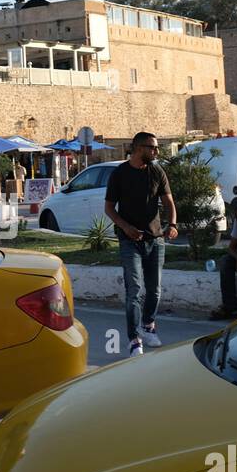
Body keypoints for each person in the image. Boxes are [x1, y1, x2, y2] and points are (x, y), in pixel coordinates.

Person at [104, 131, 178, 356]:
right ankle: (134, 339)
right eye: (152, 148)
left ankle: (148, 325)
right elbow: (109, 208)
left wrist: (172, 224)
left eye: (157, 148)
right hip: (129, 241)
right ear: (137, 148)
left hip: (155, 240)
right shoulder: (119, 174)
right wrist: (125, 227)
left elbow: (168, 202)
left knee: (154, 290)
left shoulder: (156, 171)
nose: (156, 152)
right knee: (134, 290)